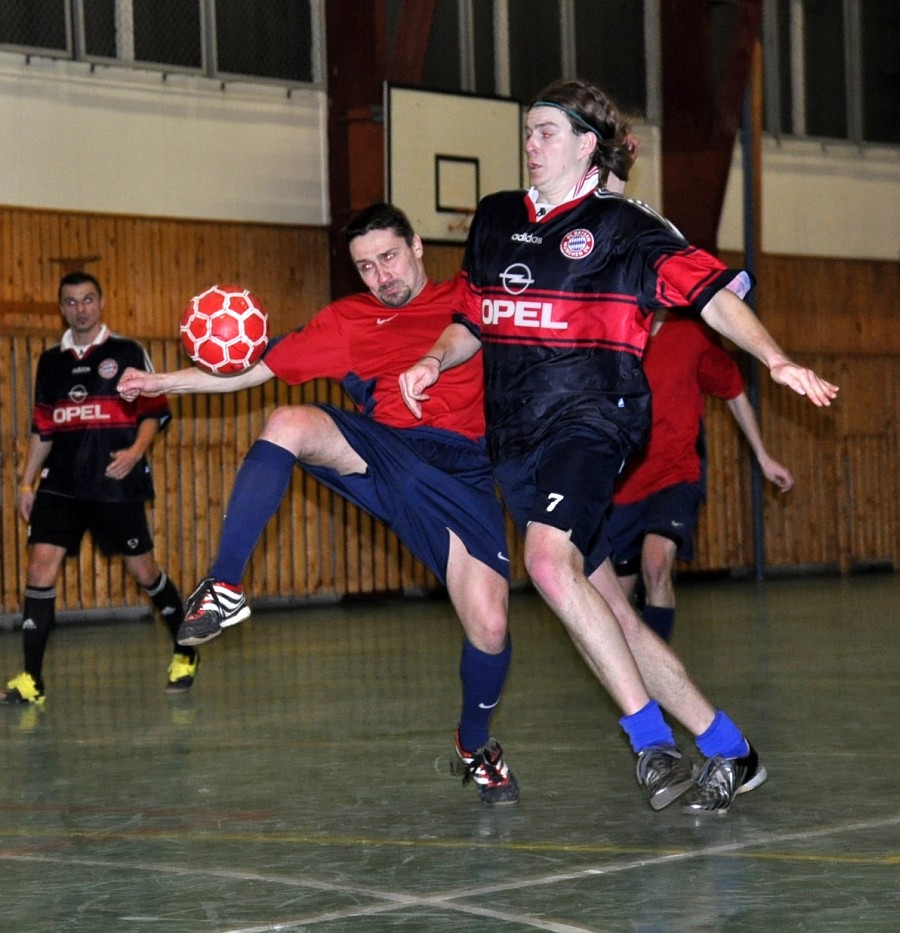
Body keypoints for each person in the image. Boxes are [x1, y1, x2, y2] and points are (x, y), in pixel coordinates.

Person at [399, 78, 839, 815]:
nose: (531, 143)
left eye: (546, 131)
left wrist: (776, 359)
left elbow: (714, 298)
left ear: (587, 146)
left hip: (594, 420)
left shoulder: (626, 228)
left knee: (547, 564)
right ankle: (732, 748)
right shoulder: (496, 217)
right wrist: (432, 360)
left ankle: (650, 743)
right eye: (528, 131)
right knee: (611, 611)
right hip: (516, 439)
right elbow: (473, 320)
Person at [117, 203, 518, 806]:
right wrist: (162, 382)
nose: (381, 276)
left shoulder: (469, 296)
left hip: (463, 473)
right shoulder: (347, 320)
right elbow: (255, 371)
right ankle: (224, 586)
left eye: (388, 257)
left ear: (416, 245)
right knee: (288, 420)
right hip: (384, 450)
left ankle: (474, 744)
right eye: (366, 267)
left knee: (489, 626)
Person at [1, 272, 195, 706]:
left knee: (144, 573)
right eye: (71, 302)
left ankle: (186, 649)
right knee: (39, 569)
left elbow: (153, 412)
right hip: (60, 486)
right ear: (62, 309)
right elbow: (43, 429)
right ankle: (31, 680)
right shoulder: (50, 361)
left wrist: (136, 452)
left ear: (101, 303)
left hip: (114, 483)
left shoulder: (126, 351)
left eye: (88, 300)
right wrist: (26, 481)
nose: (80, 309)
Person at [608, 311, 795, 642]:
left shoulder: (693, 333)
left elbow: (733, 391)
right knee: (615, 603)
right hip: (622, 484)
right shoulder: (615, 331)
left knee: (655, 563)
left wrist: (763, 456)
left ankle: (656, 665)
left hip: (676, 474)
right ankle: (627, 664)